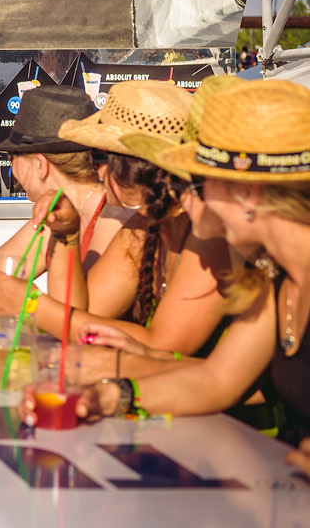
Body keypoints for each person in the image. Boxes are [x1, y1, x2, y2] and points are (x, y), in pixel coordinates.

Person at [40, 81, 310, 468]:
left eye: (193, 182)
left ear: (248, 196)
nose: (181, 196)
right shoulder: (276, 280)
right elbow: (217, 380)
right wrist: (111, 396)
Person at [0, 81, 231, 363]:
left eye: (97, 156)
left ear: (133, 166)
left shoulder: (209, 235)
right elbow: (82, 316)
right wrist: (66, 235)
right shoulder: (144, 227)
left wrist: (31, 305)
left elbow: (163, 346)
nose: (93, 168)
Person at [0, 84, 135, 329]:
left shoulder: (116, 218)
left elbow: (83, 322)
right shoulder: (54, 217)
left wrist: (26, 303)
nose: (12, 168)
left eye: (12, 157)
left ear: (40, 165)